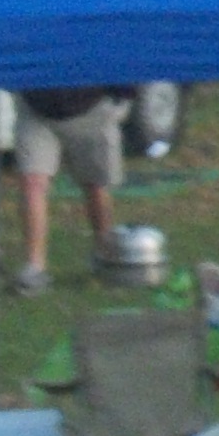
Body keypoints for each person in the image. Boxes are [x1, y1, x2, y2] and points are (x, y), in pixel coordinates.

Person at [10, 84, 135, 294]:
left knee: (95, 186)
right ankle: (34, 267)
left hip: (91, 106)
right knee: (32, 182)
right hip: (36, 107)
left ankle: (104, 253)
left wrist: (122, 92)